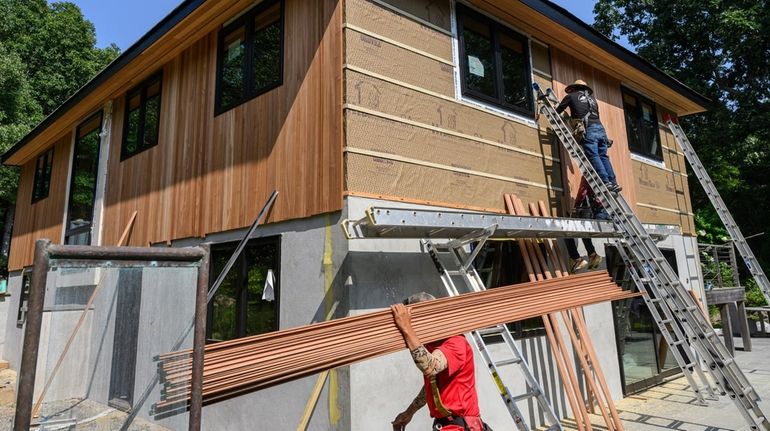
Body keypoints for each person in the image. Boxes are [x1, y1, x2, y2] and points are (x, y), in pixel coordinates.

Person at [390, 292, 488, 431]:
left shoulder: (455, 342)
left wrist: (406, 328)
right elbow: (432, 384)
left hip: (461, 425)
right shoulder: (432, 345)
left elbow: (430, 367)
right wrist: (409, 412)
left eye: (411, 321)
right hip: (447, 424)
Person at [556, 80, 622, 194]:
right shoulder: (593, 101)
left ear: (574, 88)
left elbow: (558, 110)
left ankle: (605, 181)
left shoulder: (571, 96)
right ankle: (613, 182)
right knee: (603, 156)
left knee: (593, 156)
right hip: (601, 130)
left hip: (589, 129)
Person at [566, 177, 607, 272]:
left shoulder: (589, 174)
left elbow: (583, 192)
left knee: (567, 232)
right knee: (584, 231)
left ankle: (576, 258)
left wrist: (576, 206)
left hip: (592, 210)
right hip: (603, 212)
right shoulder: (605, 175)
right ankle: (592, 255)